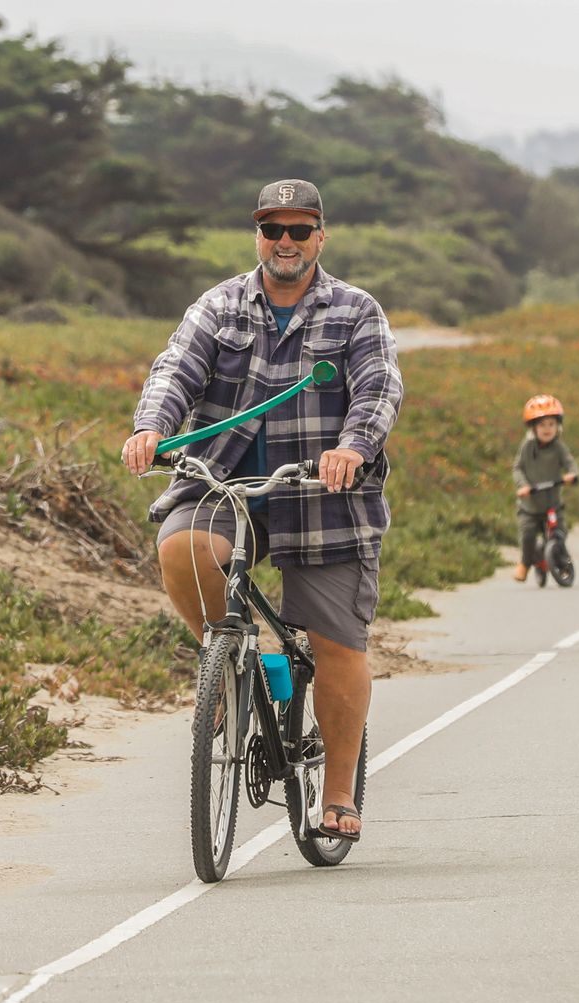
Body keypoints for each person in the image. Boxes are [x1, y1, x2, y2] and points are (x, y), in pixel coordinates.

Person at [121, 179, 401, 844]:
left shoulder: (356, 311)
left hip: (323, 493)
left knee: (336, 645)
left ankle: (337, 794)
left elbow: (379, 389)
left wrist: (353, 449)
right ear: (258, 235)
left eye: (298, 230)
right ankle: (230, 666)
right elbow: (173, 371)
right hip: (224, 480)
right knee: (182, 548)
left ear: (320, 238)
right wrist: (150, 428)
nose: (284, 241)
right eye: (272, 229)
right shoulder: (218, 307)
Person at [512, 394, 579, 582]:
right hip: (530, 506)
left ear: (558, 426)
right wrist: (523, 486)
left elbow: (570, 463)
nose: (547, 429)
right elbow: (517, 468)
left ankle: (557, 554)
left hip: (552, 504)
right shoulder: (527, 447)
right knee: (527, 534)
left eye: (551, 424)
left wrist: (572, 475)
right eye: (542, 425)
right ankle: (525, 564)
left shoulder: (559, 447)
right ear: (533, 428)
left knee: (560, 531)